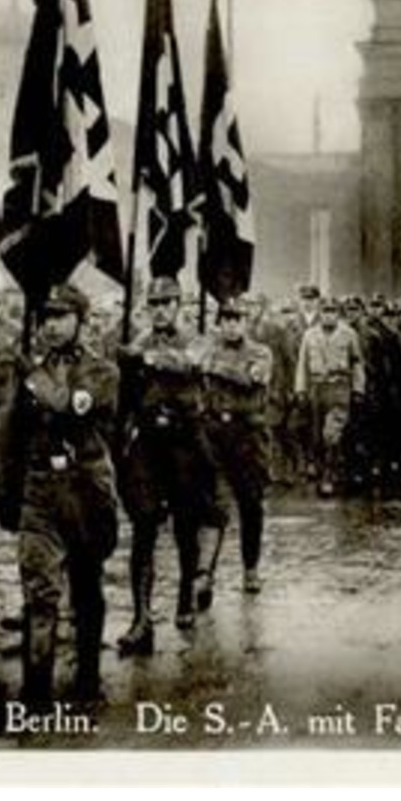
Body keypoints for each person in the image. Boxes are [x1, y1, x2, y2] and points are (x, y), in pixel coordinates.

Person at [0, 283, 120, 705]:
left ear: (80, 322)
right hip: (40, 489)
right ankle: (36, 690)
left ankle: (87, 678)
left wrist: (31, 378)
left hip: (85, 490)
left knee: (86, 587)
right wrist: (3, 490)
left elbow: (68, 405)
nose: (50, 325)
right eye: (45, 317)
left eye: (60, 316)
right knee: (40, 590)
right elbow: (7, 435)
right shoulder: (25, 368)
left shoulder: (100, 372)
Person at [116, 276, 226, 650]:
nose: (160, 310)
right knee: (143, 526)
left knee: (186, 523)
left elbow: (188, 364)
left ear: (179, 305)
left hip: (184, 441)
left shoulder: (196, 338)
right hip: (148, 442)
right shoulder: (139, 341)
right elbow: (126, 393)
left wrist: (142, 357)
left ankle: (184, 597)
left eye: (167, 303)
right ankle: (141, 618)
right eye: (154, 304)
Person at [200, 297, 275, 594]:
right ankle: (206, 573)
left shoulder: (261, 352)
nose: (231, 325)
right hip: (216, 434)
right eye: (226, 319)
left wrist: (214, 366)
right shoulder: (208, 347)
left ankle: (250, 568)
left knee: (251, 505)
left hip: (248, 437)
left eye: (237, 319)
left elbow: (250, 378)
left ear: (246, 322)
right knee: (214, 505)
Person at [294, 297, 366, 497]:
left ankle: (328, 476)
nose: (328, 315)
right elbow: (302, 365)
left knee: (331, 435)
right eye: (325, 311)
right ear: (320, 313)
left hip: (339, 387)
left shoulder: (349, 334)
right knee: (316, 436)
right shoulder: (310, 335)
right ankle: (321, 468)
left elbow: (357, 363)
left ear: (338, 313)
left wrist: (358, 389)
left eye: (332, 311)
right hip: (317, 388)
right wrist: (300, 389)